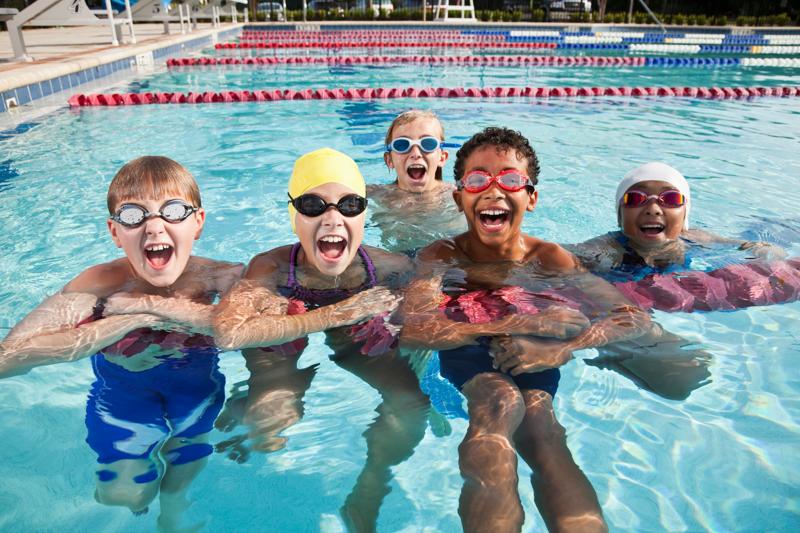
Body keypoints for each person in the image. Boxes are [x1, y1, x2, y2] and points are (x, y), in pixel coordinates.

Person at [399, 127, 652, 533]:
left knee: (541, 426)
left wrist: (564, 347)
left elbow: (634, 317)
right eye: (478, 179)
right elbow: (412, 328)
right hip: (467, 342)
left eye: (511, 179)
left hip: (538, 351)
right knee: (498, 402)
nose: (495, 190)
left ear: (531, 198)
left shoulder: (551, 258)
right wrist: (519, 322)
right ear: (459, 196)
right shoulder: (441, 255)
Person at [0, 156, 243, 530]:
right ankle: (139, 502)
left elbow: (259, 328)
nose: (154, 227)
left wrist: (152, 306)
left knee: (183, 470)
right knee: (124, 493)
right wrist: (104, 330)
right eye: (134, 215)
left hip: (196, 389)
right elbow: (8, 357)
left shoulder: (219, 276)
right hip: (122, 395)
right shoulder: (100, 283)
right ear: (115, 232)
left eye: (173, 211)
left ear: (198, 223)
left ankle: (173, 512)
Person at [213, 148, 430, 532]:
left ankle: (371, 486)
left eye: (349, 205)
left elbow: (432, 315)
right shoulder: (272, 266)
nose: (333, 218)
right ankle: (245, 403)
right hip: (288, 328)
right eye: (314, 205)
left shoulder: (389, 266)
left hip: (356, 331)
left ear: (362, 214)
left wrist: (403, 327)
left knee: (411, 406)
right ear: (294, 215)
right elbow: (229, 332)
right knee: (269, 428)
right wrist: (333, 315)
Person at [570, 161, 785, 281]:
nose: (653, 209)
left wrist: (764, 253)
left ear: (685, 216)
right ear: (619, 215)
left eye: (670, 199)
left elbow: (754, 247)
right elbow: (556, 257)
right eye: (636, 198)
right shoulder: (605, 249)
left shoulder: (696, 238)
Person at [366, 109, 466, 253]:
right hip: (396, 263)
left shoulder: (458, 196)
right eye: (402, 145)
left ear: (442, 157)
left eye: (428, 144)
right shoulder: (374, 194)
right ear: (389, 160)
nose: (415, 153)